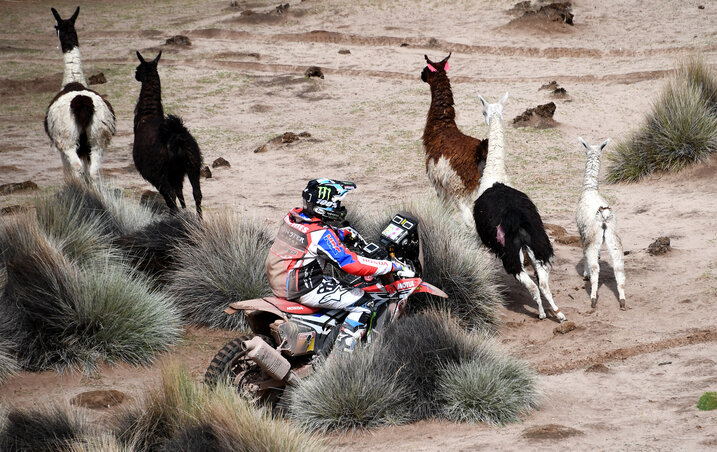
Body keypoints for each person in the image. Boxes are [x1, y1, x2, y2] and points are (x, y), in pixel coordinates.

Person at [265, 178, 413, 352]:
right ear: (323, 206)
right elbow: (352, 264)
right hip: (303, 288)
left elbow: (311, 233)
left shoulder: (292, 217)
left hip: (280, 280)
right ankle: (341, 357)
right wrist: (391, 266)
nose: (339, 207)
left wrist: (340, 233)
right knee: (364, 302)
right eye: (336, 203)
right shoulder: (321, 235)